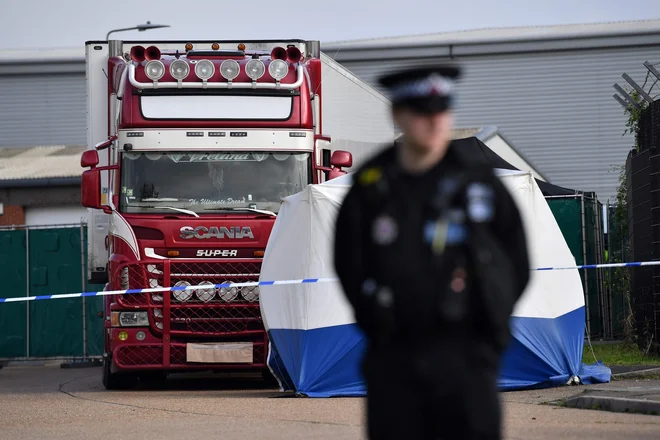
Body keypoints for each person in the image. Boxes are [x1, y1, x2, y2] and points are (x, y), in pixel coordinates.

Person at [332, 65, 531, 440]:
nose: (434, 121)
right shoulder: (372, 189)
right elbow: (349, 264)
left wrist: (489, 332)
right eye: (422, 112)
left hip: (468, 355)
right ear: (398, 116)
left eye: (442, 111)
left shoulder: (480, 184)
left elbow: (516, 262)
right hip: (396, 356)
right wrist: (376, 321)